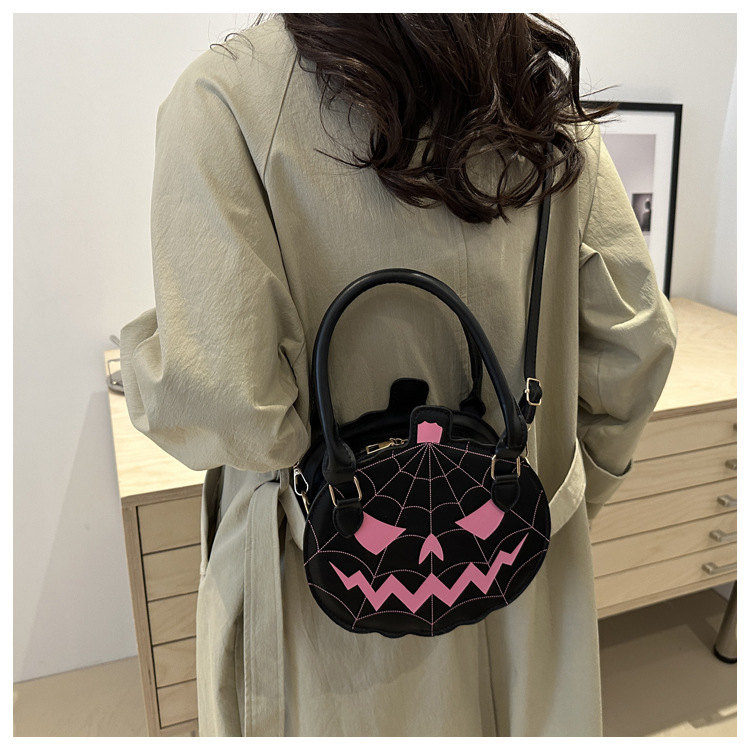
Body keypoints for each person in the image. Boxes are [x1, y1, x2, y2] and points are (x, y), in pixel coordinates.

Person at [120, 13, 677, 737]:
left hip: (326, 594)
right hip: (513, 569)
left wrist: (145, 352)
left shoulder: (224, 100)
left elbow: (232, 410)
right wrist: (543, 499)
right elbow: (637, 344)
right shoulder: (535, 99)